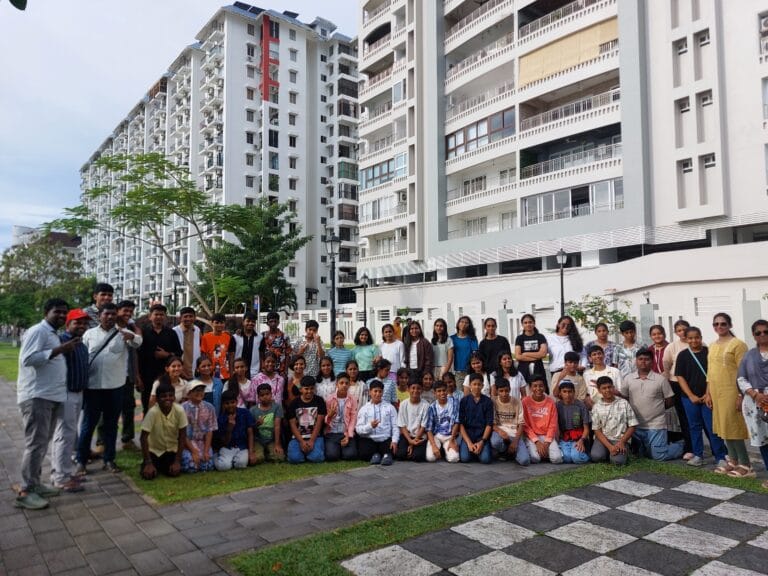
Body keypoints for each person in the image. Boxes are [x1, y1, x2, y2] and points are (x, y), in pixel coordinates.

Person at [15, 299, 79, 510]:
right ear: (46, 312)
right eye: (57, 312)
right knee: (35, 444)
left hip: (51, 396)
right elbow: (28, 359)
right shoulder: (38, 331)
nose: (62, 316)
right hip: (36, 396)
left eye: (64, 313)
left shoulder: (51, 333)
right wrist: (59, 350)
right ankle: (25, 490)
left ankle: (35, 484)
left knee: (43, 442)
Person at [77, 303, 142, 475]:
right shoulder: (89, 334)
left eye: (113, 314)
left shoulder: (123, 334)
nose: (110, 317)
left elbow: (138, 342)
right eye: (107, 314)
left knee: (111, 425)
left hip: (115, 387)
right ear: (99, 316)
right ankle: (81, 461)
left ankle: (109, 459)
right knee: (88, 425)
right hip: (93, 387)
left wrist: (131, 335)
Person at [675, 326, 727, 467]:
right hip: (689, 399)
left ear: (701, 337)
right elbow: (680, 377)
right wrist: (690, 395)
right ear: (686, 339)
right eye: (690, 338)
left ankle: (720, 456)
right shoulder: (683, 355)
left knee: (712, 427)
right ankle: (698, 455)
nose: (694, 340)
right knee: (694, 426)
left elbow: (713, 375)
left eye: (696, 337)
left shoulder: (709, 353)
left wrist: (708, 394)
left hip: (708, 397)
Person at [50, 308, 89, 493]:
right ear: (68, 324)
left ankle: (64, 471)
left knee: (68, 435)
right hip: (65, 393)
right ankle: (60, 477)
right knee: (64, 436)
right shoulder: (62, 341)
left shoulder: (81, 344)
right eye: (77, 322)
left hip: (78, 393)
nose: (81, 326)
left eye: (84, 323)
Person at [621, 349, 684, 461]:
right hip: (634, 426)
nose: (643, 362)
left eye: (647, 359)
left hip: (656, 425)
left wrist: (657, 410)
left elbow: (669, 400)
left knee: (658, 456)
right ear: (636, 361)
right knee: (638, 455)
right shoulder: (628, 379)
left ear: (652, 362)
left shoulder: (660, 379)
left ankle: (681, 445)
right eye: (640, 359)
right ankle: (649, 448)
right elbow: (625, 399)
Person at [708, 312, 751, 476]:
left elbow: (743, 370)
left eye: (723, 324)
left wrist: (742, 395)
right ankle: (733, 460)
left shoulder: (738, 344)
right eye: (716, 324)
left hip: (732, 391)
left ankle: (746, 464)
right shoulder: (712, 345)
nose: (719, 327)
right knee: (723, 425)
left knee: (733, 426)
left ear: (730, 325)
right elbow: (710, 372)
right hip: (716, 392)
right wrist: (708, 393)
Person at [736, 319, 768, 485]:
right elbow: (741, 378)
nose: (762, 335)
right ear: (754, 335)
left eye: (765, 331)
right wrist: (755, 395)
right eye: (758, 332)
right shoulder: (749, 356)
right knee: (763, 439)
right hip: (754, 402)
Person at [137, 304, 182, 416]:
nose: (159, 317)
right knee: (148, 407)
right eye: (156, 314)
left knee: (167, 407)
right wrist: (138, 377)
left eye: (161, 314)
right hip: (147, 376)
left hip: (166, 376)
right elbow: (137, 355)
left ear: (165, 317)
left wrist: (166, 354)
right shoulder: (143, 332)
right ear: (150, 316)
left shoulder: (171, 333)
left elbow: (178, 353)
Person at [139, 382, 187, 480]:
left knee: (173, 472)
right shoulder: (152, 412)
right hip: (154, 451)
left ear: (174, 397)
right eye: (163, 396)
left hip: (171, 450)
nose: (167, 398)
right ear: (157, 399)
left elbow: (182, 436)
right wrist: (148, 462)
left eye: (170, 395)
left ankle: (163, 466)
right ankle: (149, 464)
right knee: (148, 475)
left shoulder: (180, 411)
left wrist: (177, 461)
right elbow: (143, 438)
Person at [590, 376, 638, 465]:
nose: (607, 390)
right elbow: (597, 430)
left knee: (618, 462)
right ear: (599, 391)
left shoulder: (624, 403)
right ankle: (608, 451)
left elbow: (632, 425)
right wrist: (609, 447)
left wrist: (622, 442)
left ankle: (624, 450)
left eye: (609, 387)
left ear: (613, 387)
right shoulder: (596, 407)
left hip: (620, 438)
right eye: (604, 388)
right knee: (596, 457)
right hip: (604, 439)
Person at [116, 300, 142, 450]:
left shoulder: (131, 329)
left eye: (130, 311)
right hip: (111, 376)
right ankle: (102, 442)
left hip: (127, 376)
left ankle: (127, 439)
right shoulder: (111, 328)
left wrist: (136, 375)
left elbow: (135, 352)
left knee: (129, 407)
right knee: (107, 410)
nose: (128, 314)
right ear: (117, 310)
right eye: (125, 310)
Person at [355, 379, 399, 465]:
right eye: (375, 391)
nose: (378, 394)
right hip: (370, 439)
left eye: (380, 391)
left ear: (383, 392)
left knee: (393, 447)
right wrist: (370, 426)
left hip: (385, 439)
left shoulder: (390, 407)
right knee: (363, 451)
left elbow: (395, 426)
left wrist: (394, 441)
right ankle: (376, 455)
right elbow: (358, 429)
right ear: (370, 392)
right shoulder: (364, 409)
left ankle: (385, 455)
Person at [522, 376, 563, 464]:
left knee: (557, 459)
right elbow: (525, 425)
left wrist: (547, 443)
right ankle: (538, 452)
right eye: (535, 386)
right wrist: (537, 442)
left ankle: (545, 452)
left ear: (544, 387)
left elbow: (553, 424)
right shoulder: (525, 402)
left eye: (541, 386)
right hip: (532, 436)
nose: (538, 388)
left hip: (547, 435)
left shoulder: (550, 402)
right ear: (530, 388)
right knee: (535, 458)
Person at [286, 376, 327, 463]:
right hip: (298, 438)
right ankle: (303, 453)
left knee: (316, 458)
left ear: (315, 389)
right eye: (306, 389)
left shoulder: (319, 401)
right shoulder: (294, 403)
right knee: (295, 458)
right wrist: (301, 441)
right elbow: (292, 425)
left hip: (316, 437)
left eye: (312, 388)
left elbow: (319, 422)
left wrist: (312, 441)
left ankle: (309, 453)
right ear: (301, 389)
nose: (309, 391)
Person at [215, 389, 257, 470]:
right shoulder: (221, 419)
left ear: (236, 402)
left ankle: (234, 460)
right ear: (223, 405)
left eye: (232, 402)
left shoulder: (245, 413)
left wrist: (251, 452)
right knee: (223, 467)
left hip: (242, 447)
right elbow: (224, 442)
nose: (230, 405)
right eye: (227, 403)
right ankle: (216, 457)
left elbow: (250, 433)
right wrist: (229, 428)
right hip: (227, 447)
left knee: (241, 464)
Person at [490, 378, 529, 465]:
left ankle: (510, 452)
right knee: (495, 442)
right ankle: (505, 451)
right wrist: (500, 431)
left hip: (514, 433)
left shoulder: (517, 402)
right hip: (500, 432)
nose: (504, 394)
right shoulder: (493, 401)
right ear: (497, 391)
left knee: (525, 461)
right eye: (501, 391)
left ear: (510, 389)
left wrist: (515, 441)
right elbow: (491, 423)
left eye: (506, 391)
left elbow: (521, 424)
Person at [180, 382, 217, 473]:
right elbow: (182, 432)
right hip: (187, 443)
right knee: (191, 465)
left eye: (201, 390)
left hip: (203, 443)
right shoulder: (182, 408)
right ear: (189, 393)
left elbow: (209, 430)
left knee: (208, 465)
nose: (199, 393)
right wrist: (193, 451)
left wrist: (206, 451)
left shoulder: (209, 407)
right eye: (196, 391)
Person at [458, 372, 494, 464]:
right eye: (474, 384)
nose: (476, 387)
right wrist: (469, 443)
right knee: (464, 459)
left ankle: (479, 449)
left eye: (479, 384)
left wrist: (482, 442)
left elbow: (489, 424)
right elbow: (461, 424)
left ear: (482, 385)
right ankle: (473, 449)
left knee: (485, 460)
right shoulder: (464, 401)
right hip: (468, 435)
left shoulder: (488, 401)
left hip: (481, 436)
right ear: (470, 385)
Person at [324, 374, 358, 461]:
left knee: (350, 455)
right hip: (332, 433)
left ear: (349, 385)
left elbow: (353, 419)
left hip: (345, 432)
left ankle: (342, 448)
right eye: (341, 383)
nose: (344, 385)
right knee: (331, 456)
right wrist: (330, 416)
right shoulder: (329, 399)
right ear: (337, 384)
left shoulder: (352, 399)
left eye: (346, 383)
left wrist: (348, 436)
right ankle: (337, 448)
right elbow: (326, 422)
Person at [425, 379, 461, 463]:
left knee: (453, 459)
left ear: (447, 390)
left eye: (444, 390)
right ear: (434, 393)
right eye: (439, 391)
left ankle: (446, 451)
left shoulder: (454, 403)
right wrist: (433, 445)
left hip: (450, 436)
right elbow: (429, 429)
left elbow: (456, 422)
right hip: (436, 436)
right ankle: (439, 448)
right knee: (430, 458)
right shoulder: (432, 407)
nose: (442, 393)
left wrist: (452, 440)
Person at [556, 380, 591, 464]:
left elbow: (586, 428)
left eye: (570, 392)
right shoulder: (557, 406)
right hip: (564, 438)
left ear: (574, 392)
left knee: (576, 458)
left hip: (579, 437)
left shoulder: (581, 406)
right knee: (566, 458)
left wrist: (582, 440)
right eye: (564, 392)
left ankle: (587, 455)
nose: (567, 395)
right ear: (560, 393)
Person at [250, 383, 286, 463]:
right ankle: (263, 453)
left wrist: (277, 444)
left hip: (271, 440)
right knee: (257, 459)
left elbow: (277, 426)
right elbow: (250, 429)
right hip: (258, 440)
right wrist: (257, 424)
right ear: (258, 397)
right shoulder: (253, 410)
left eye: (267, 394)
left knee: (280, 457)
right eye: (262, 395)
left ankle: (268, 453)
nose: (265, 397)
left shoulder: (277, 407)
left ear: (271, 394)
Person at [396, 379, 429, 461]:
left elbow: (423, 426)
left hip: (420, 436)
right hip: (407, 435)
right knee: (400, 455)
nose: (415, 391)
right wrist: (410, 441)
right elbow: (402, 425)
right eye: (413, 388)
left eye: (418, 388)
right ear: (408, 389)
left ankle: (414, 451)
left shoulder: (426, 405)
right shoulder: (403, 404)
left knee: (417, 457)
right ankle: (409, 450)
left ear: (421, 390)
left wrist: (413, 443)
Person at [546, 316, 583, 388]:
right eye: (563, 324)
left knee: (573, 395)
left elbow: (582, 354)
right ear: (558, 324)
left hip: (573, 372)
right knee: (557, 395)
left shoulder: (575, 339)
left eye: (568, 325)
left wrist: (582, 366)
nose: (566, 326)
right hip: (557, 372)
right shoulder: (549, 338)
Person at [228, 311, 264, 379]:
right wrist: (231, 372)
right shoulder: (235, 337)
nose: (250, 323)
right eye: (248, 321)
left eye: (253, 321)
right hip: (238, 373)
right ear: (243, 321)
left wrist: (261, 370)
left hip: (255, 374)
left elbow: (261, 355)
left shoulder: (260, 337)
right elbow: (231, 356)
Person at [514, 314, 548, 384]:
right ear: (522, 325)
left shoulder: (540, 337)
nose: (528, 324)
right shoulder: (519, 338)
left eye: (530, 322)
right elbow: (518, 356)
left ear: (534, 323)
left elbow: (543, 353)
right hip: (523, 369)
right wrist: (537, 356)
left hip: (538, 368)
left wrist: (526, 354)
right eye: (525, 323)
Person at [200, 312, 231, 380]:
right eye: (217, 323)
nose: (219, 325)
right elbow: (203, 354)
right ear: (212, 323)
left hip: (226, 373)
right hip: (211, 373)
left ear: (224, 324)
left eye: (222, 323)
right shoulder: (205, 337)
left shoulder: (228, 336)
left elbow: (230, 354)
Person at [173, 307, 200, 380]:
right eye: (185, 316)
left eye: (191, 316)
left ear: (195, 318)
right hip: (179, 371)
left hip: (194, 371)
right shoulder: (174, 331)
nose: (188, 319)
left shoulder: (197, 330)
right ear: (180, 318)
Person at [262, 311, 292, 376]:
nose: (273, 323)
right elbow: (260, 353)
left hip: (280, 371)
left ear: (278, 322)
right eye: (271, 321)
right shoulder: (262, 336)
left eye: (275, 321)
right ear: (267, 323)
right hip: (266, 370)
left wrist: (286, 371)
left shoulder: (285, 336)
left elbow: (288, 355)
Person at [450, 315, 478, 383]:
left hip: (469, 371)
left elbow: (475, 354)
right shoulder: (451, 338)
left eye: (466, 323)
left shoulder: (472, 338)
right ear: (458, 324)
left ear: (469, 325)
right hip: (456, 372)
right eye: (462, 322)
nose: (464, 324)